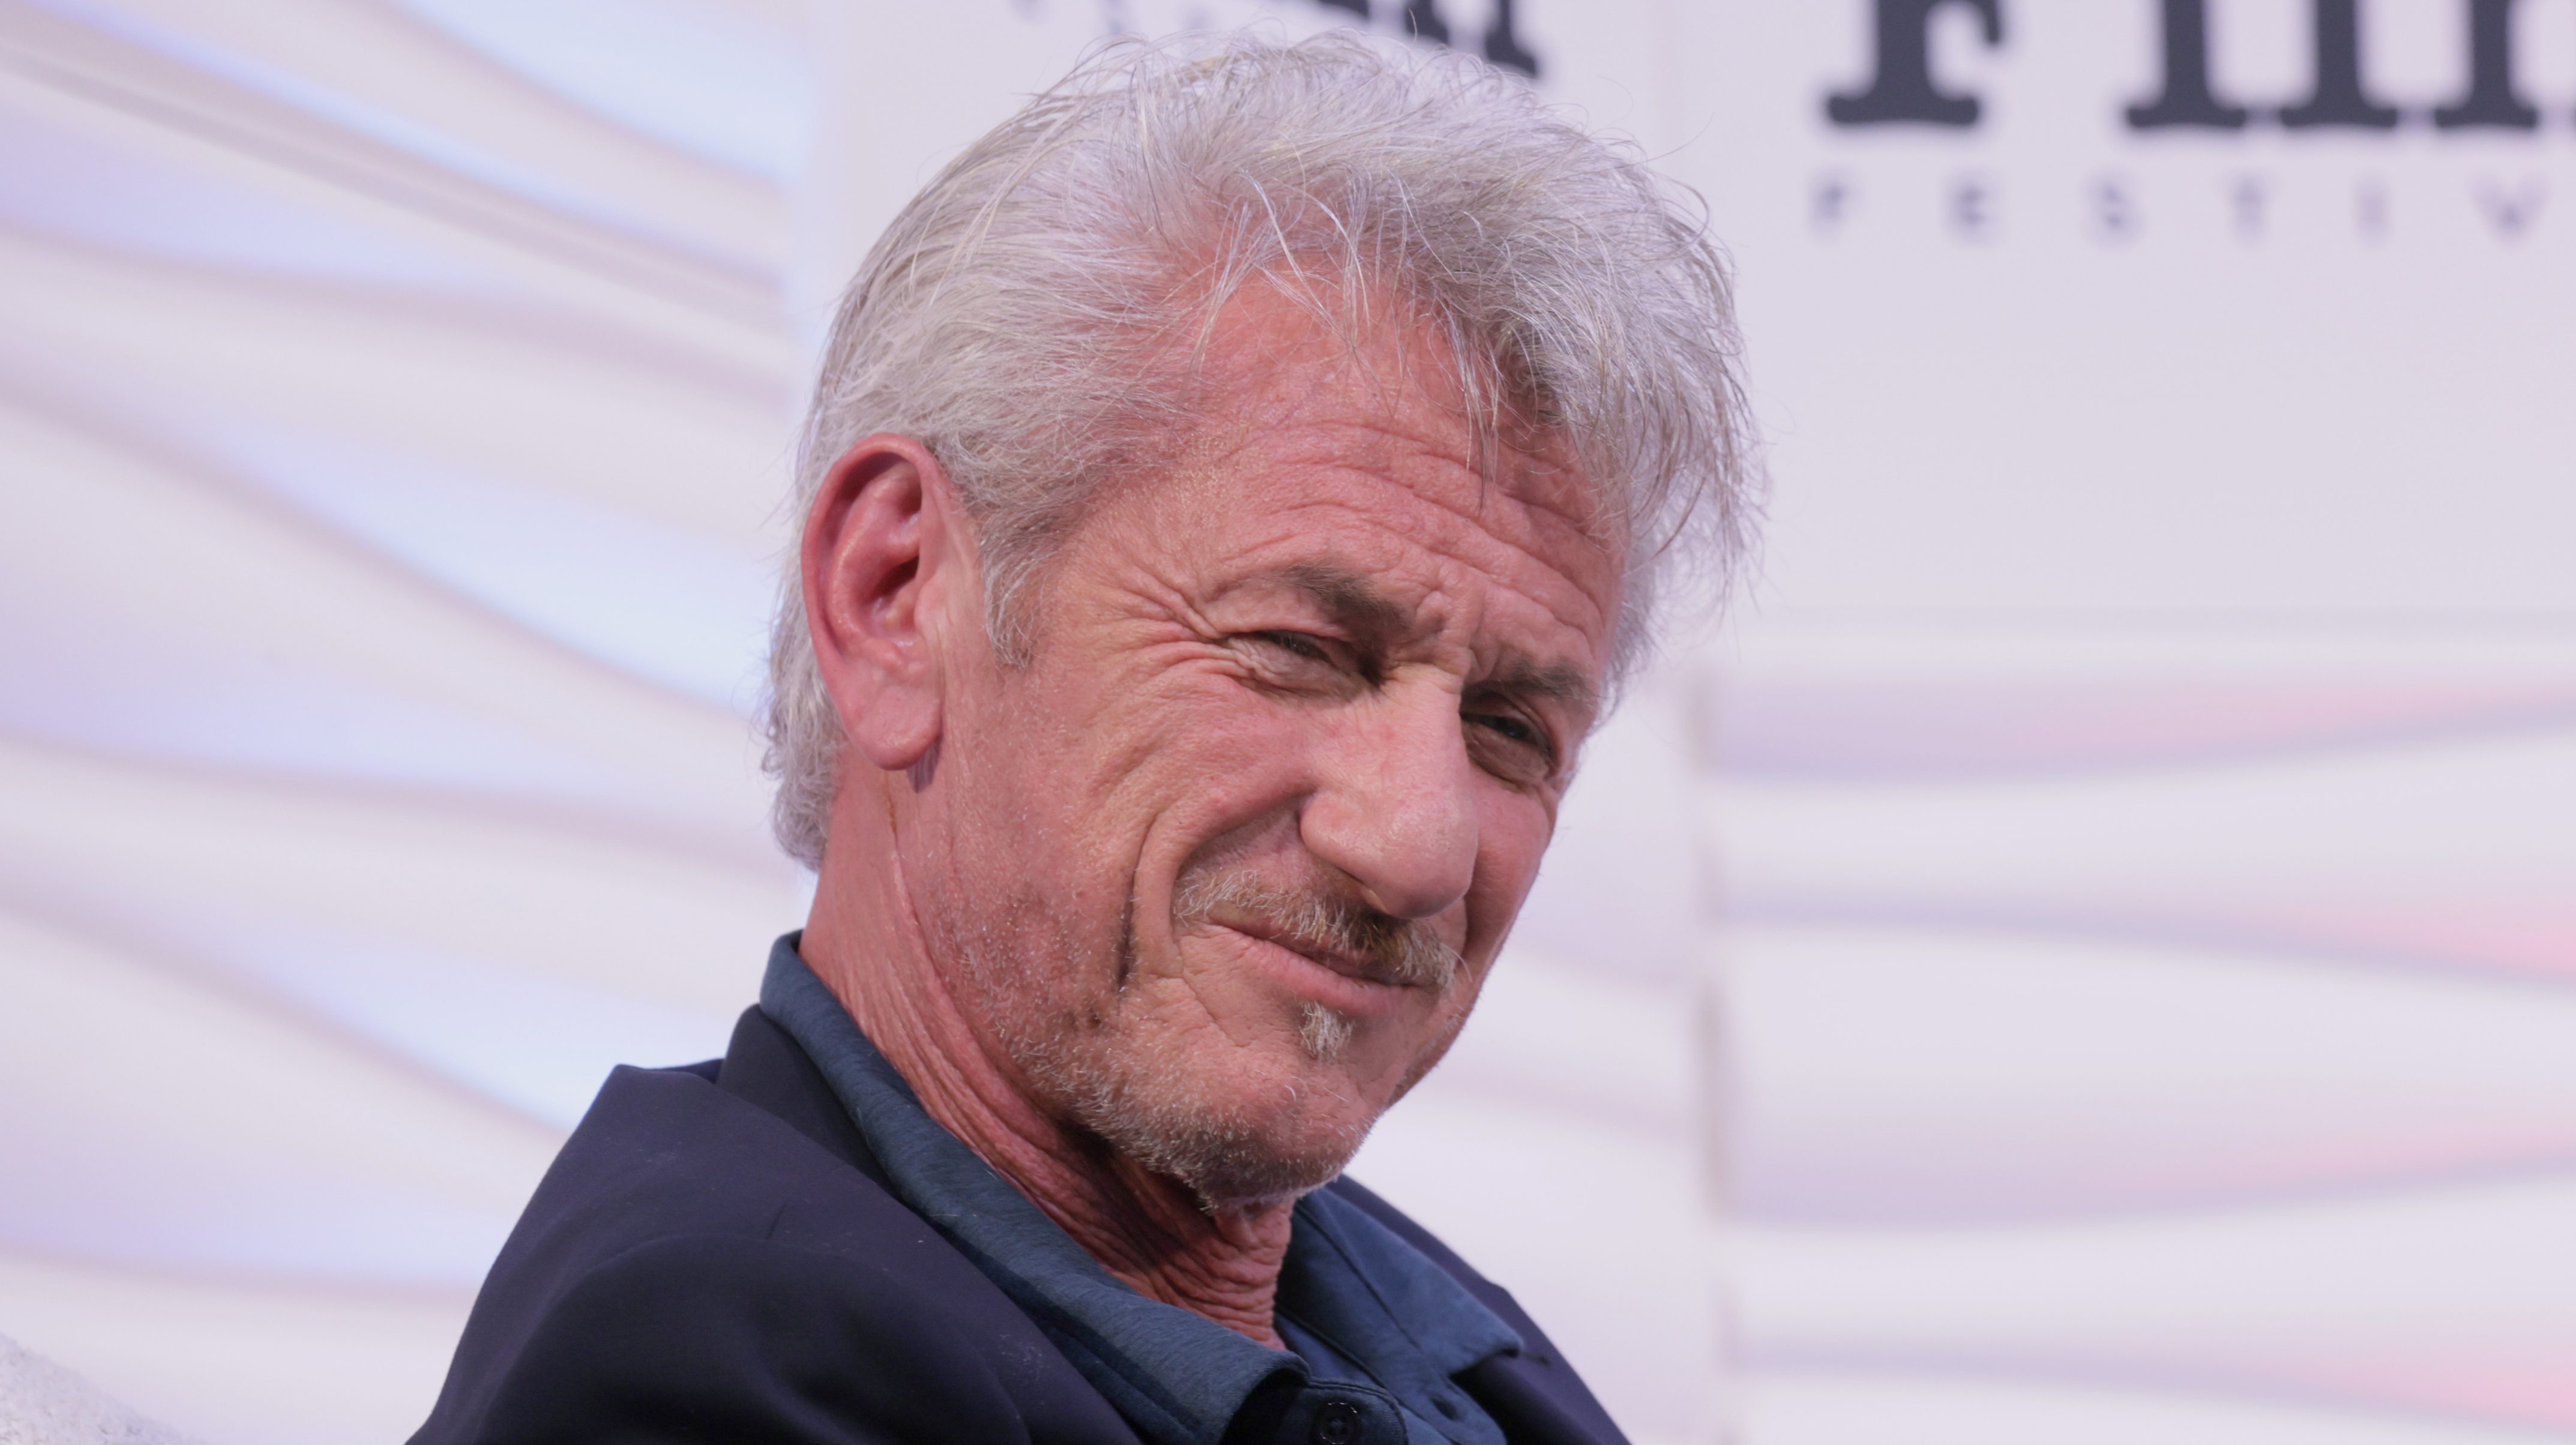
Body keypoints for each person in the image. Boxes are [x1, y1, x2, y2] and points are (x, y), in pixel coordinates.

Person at [411, 30, 1757, 1445]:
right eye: (1297, 649)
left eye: (1508, 727)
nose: (1417, 846)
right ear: (894, 597)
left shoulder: (1411, 1323)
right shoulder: (701, 1372)